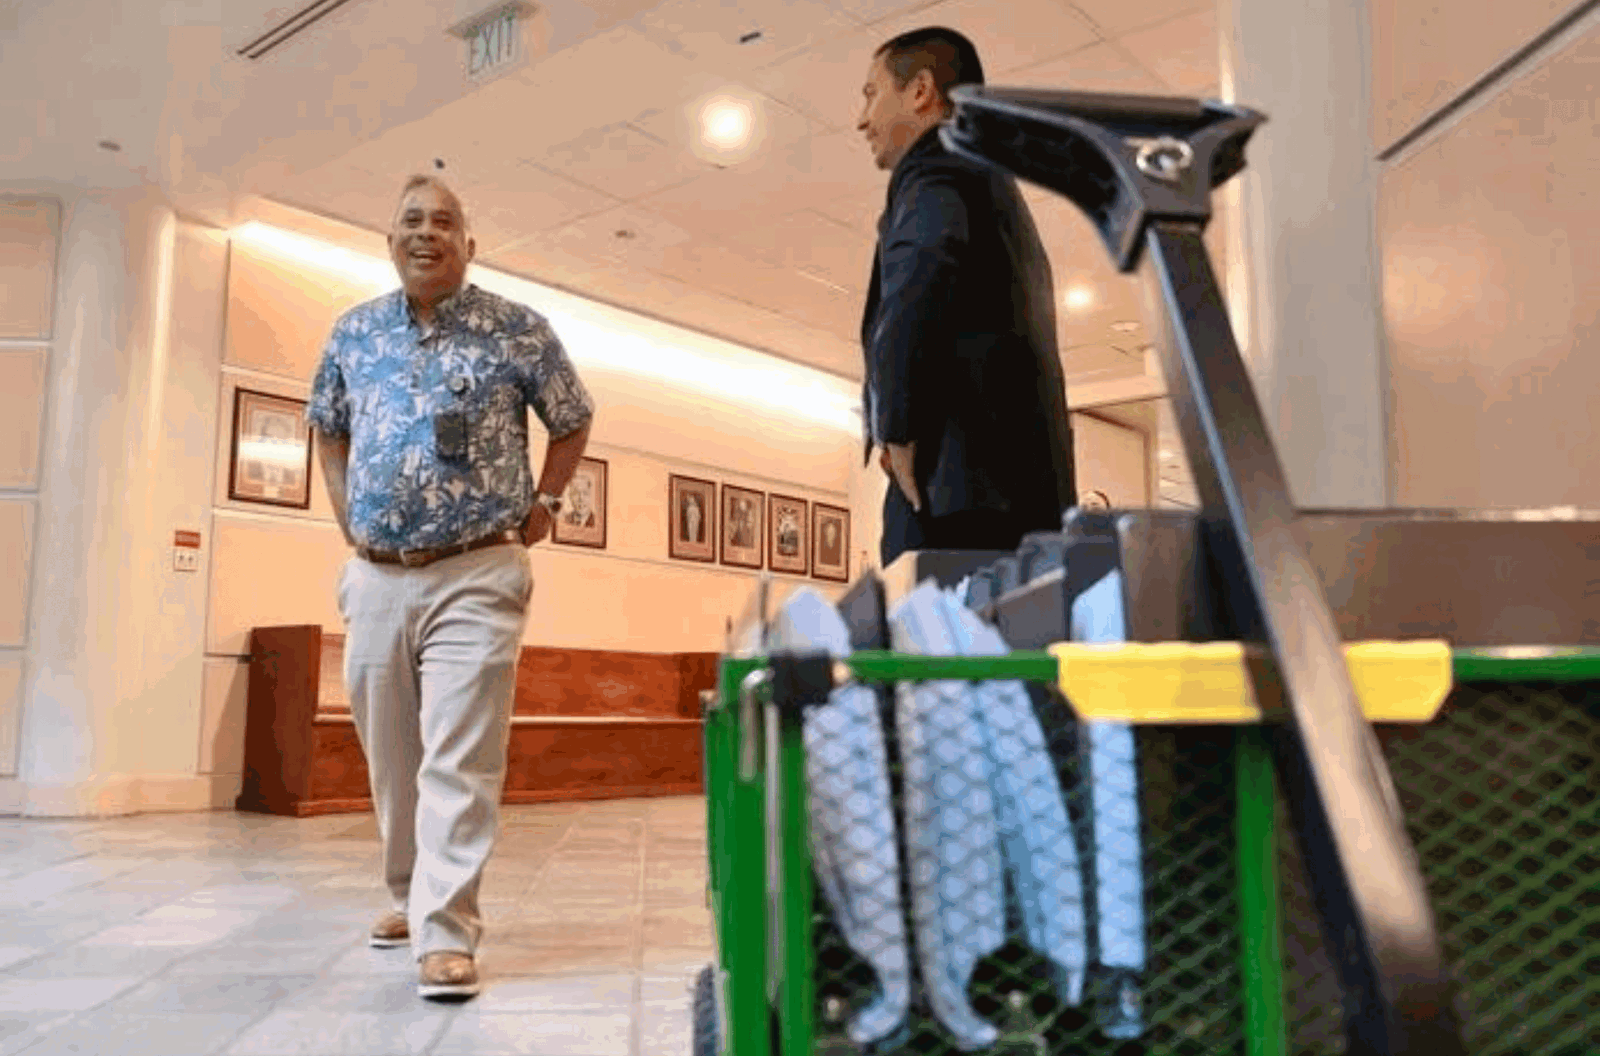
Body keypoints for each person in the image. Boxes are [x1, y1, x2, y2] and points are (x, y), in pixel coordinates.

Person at [306, 174, 594, 1001]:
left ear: (470, 243)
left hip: (479, 568)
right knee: (392, 755)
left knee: (460, 756)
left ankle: (446, 928)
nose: (425, 233)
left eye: (444, 222)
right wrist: (343, 512)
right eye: (410, 221)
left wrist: (544, 502)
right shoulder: (354, 333)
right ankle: (409, 894)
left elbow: (572, 417)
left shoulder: (516, 329)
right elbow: (327, 426)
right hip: (375, 575)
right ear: (388, 238)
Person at [856, 27, 1076, 565]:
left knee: (936, 648)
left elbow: (923, 265)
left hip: (954, 498)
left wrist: (897, 427)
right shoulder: (989, 180)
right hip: (1018, 499)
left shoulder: (936, 167)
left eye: (870, 94)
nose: (862, 119)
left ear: (921, 90)